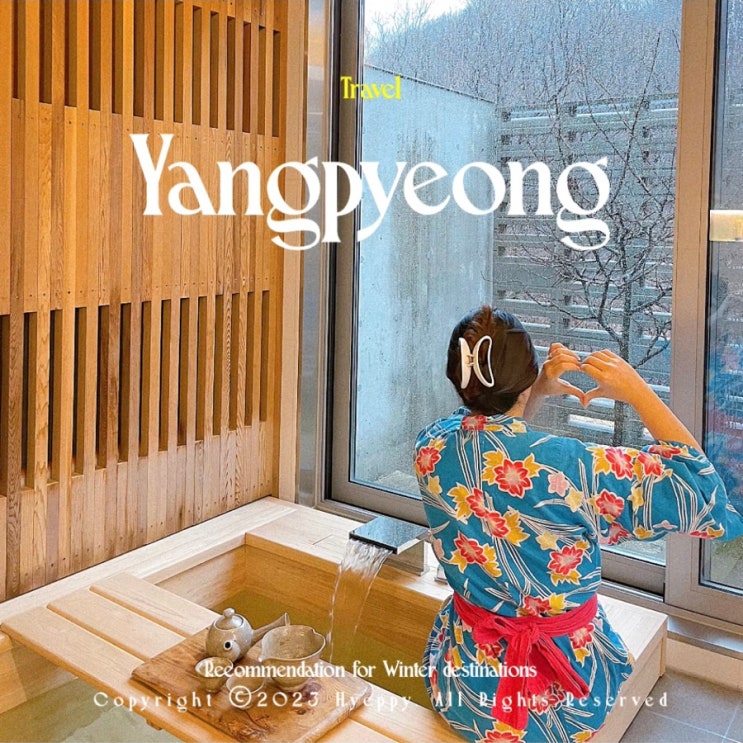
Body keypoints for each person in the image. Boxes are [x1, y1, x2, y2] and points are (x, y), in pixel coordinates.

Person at [415, 306, 743, 743]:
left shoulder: (432, 446)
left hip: (465, 684)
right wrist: (638, 391)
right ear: (526, 378)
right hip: (562, 699)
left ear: (457, 377)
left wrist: (534, 392)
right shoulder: (573, 467)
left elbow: (492, 443)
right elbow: (704, 497)